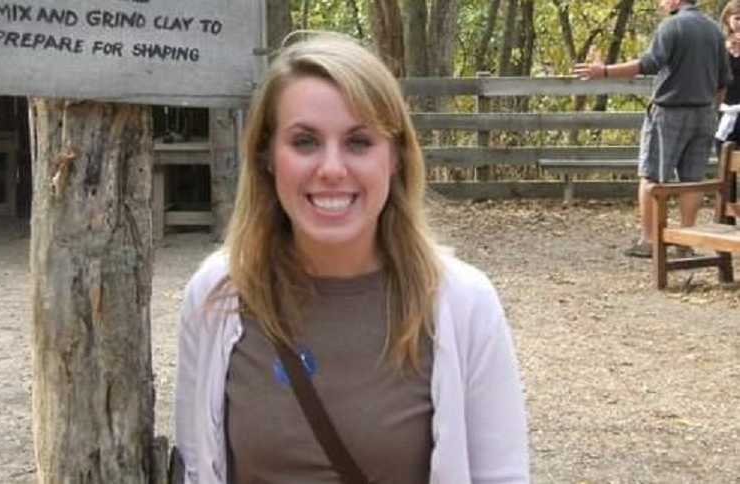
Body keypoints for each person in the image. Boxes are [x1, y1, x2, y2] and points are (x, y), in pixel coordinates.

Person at [173, 33, 529, 483]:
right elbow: (196, 467)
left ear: (396, 157)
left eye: (359, 142)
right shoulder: (216, 297)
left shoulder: (465, 305)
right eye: (305, 142)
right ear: (266, 156)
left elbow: (501, 475)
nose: (332, 169)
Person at [573, 0, 729, 259]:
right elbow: (723, 80)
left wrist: (604, 71)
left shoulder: (672, 26)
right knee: (693, 180)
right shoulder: (714, 30)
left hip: (670, 112)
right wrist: (712, 110)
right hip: (704, 112)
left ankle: (649, 240)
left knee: (652, 175)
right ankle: (685, 241)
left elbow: (648, 63)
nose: (660, 3)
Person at [715, 0, 740, 152]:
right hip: (725, 109)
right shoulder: (719, 45)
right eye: (737, 18)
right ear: (727, 19)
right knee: (723, 147)